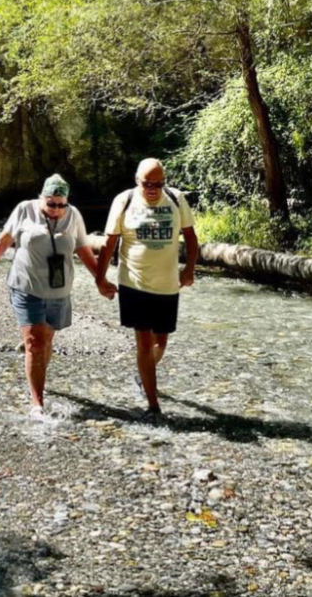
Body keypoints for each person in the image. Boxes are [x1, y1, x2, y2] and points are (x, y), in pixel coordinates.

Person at [0, 174, 103, 419]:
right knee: (35, 342)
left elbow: (83, 249)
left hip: (58, 290)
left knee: (46, 341)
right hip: (26, 286)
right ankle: (37, 404)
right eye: (50, 203)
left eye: (61, 204)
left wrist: (101, 279)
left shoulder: (73, 215)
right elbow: (5, 240)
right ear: (41, 198)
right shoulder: (24, 209)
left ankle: (37, 377)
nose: (56, 209)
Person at [96, 158, 199, 424]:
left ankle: (143, 375)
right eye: (147, 184)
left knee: (160, 342)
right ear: (137, 180)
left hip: (167, 284)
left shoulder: (176, 199)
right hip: (134, 283)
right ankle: (153, 406)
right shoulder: (124, 200)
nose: (152, 189)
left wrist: (189, 269)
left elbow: (190, 237)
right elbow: (109, 243)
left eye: (158, 184)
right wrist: (100, 278)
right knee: (143, 341)